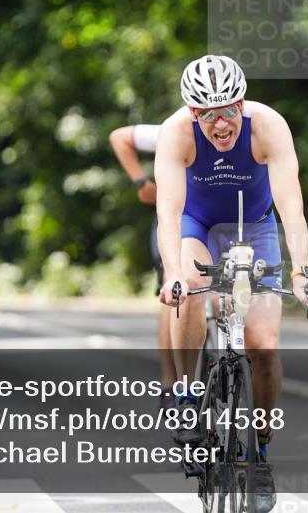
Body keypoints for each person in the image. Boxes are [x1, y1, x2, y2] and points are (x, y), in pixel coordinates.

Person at [155, 54, 308, 512]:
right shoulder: (176, 133)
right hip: (198, 225)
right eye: (207, 114)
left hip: (257, 228)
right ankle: (188, 397)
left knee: (263, 345)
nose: (220, 123)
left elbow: (291, 207)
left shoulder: (268, 126)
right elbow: (168, 211)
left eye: (228, 109)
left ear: (242, 102)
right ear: (193, 113)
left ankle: (261, 451)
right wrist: (172, 271)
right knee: (190, 284)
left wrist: (301, 271)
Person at [109, 122, 177, 409]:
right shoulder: (176, 131)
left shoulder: (231, 133)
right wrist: (142, 184)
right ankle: (170, 381)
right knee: (171, 289)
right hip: (174, 218)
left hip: (219, 221)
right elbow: (119, 136)